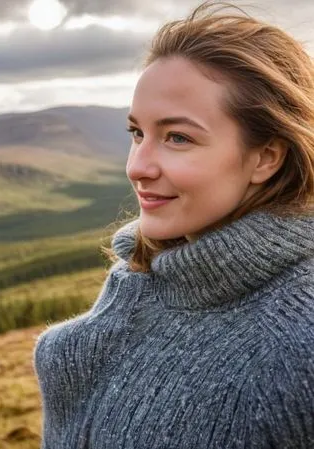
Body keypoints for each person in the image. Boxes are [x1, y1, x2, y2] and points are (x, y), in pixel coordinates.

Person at [32, 1, 314, 448]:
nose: (137, 167)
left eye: (177, 137)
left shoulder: (298, 341)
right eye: (136, 133)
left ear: (266, 157)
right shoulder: (139, 279)